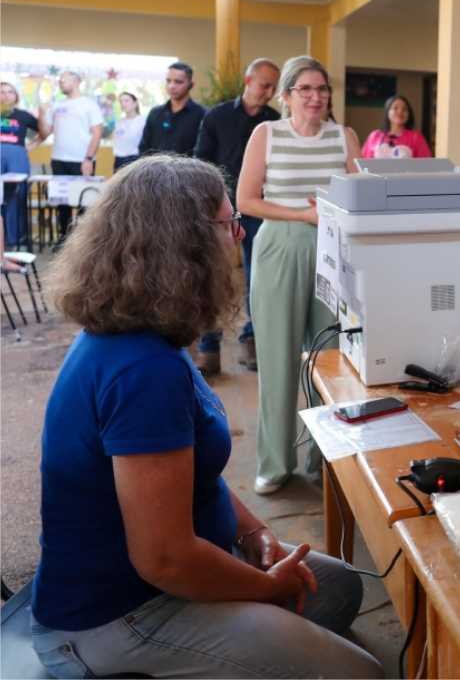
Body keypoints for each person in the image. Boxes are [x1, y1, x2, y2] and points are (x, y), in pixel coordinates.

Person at [31, 155, 380, 678]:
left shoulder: (150, 335)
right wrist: (265, 587)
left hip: (175, 571)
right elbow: (164, 559)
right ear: (185, 244)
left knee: (338, 588)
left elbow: (193, 474)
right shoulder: (142, 370)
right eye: (228, 224)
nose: (239, 236)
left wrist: (255, 533)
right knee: (362, 672)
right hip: (124, 613)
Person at [237, 56, 361, 495]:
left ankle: (322, 457)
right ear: (286, 95)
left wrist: (330, 209)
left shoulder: (343, 136)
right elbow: (247, 200)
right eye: (305, 89)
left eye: (322, 89)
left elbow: (359, 195)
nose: (315, 97)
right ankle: (275, 462)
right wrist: (302, 214)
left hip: (333, 249)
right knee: (277, 357)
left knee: (328, 357)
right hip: (279, 248)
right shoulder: (266, 134)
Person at [193, 58, 282, 376]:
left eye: (274, 86)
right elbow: (201, 161)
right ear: (248, 81)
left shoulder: (275, 123)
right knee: (213, 276)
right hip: (219, 210)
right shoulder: (216, 116)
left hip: (258, 210)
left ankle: (251, 339)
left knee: (258, 278)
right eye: (264, 85)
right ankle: (208, 348)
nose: (269, 92)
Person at [36, 71, 103, 239]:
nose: (61, 82)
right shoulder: (57, 105)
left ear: (77, 81)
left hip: (81, 161)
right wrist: (43, 113)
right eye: (60, 80)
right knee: (62, 204)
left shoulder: (89, 104)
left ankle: (83, 242)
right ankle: (64, 238)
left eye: (64, 79)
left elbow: (97, 133)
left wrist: (88, 159)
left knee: (84, 204)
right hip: (58, 160)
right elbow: (45, 133)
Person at [0, 81, 41, 248]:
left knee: (17, 196)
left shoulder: (23, 115)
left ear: (16, 95)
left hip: (17, 156)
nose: (6, 95)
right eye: (2, 92)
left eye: (10, 92)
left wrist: (32, 145)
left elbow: (43, 130)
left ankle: (15, 240)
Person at [138, 62, 206, 157]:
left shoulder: (202, 114)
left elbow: (204, 151)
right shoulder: (155, 113)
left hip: (188, 170)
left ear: (191, 85)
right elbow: (144, 147)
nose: (171, 86)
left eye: (178, 82)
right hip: (156, 170)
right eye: (168, 81)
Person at [360, 95, 431, 159]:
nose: (400, 112)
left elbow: (426, 165)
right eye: (395, 108)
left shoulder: (416, 137)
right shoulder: (375, 136)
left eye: (404, 109)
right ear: (388, 111)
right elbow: (364, 163)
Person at [112, 91, 144, 171]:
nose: (123, 104)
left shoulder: (142, 121)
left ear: (135, 103)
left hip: (134, 160)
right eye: (121, 101)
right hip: (118, 161)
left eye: (126, 101)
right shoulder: (119, 122)